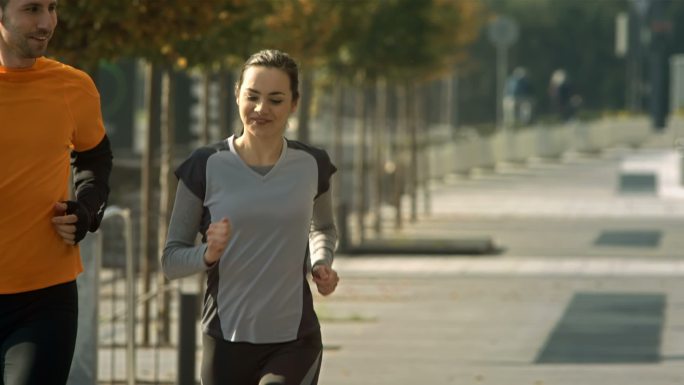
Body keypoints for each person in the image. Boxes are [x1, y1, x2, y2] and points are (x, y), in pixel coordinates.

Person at [162, 49, 339, 385]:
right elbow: (171, 261)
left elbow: (324, 227)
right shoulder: (204, 165)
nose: (261, 109)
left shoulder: (312, 164)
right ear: (237, 95)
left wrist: (320, 261)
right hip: (225, 337)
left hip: (294, 338)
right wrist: (208, 254)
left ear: (294, 103)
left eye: (275, 99)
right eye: (252, 96)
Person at [0, 0, 113, 384]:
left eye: (52, 7)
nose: (46, 22)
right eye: (32, 8)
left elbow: (95, 158)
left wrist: (86, 209)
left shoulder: (73, 86)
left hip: (43, 301)